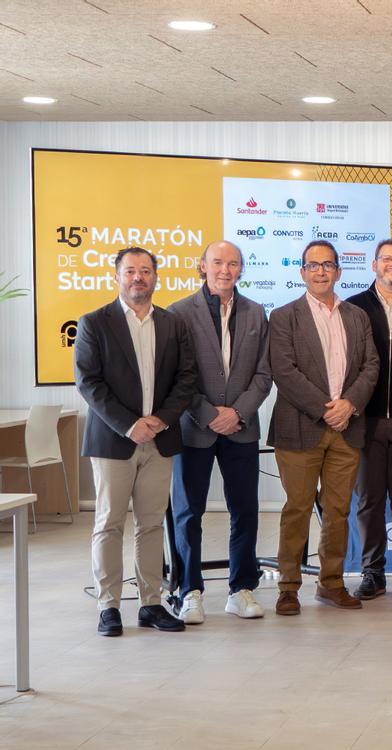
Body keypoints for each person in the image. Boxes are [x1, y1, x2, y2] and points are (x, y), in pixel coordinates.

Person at [75, 246, 197, 636]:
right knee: (109, 523)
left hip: (159, 439)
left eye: (146, 271)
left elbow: (187, 379)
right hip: (114, 441)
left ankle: (151, 603)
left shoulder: (173, 323)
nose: (138, 278)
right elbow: (89, 383)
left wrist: (160, 420)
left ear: (155, 277)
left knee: (150, 525)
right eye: (131, 271)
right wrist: (130, 425)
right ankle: (108, 605)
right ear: (117, 276)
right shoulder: (95, 322)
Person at [269, 240, 379, 616]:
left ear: (338, 272)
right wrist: (325, 409)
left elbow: (371, 367)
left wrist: (349, 404)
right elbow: (284, 371)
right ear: (302, 272)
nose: (320, 271)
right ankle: (288, 587)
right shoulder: (284, 316)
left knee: (338, 510)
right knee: (297, 508)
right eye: (313, 265)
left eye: (327, 265)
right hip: (300, 428)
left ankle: (331, 583)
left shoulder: (356, 316)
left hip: (347, 427)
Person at [169, 240, 271, 623]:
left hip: (241, 428)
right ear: (202, 266)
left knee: (244, 510)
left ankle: (240, 588)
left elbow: (265, 374)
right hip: (194, 428)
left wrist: (237, 413)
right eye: (217, 262)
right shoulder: (179, 313)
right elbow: (178, 376)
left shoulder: (256, 313)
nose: (225, 270)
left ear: (241, 269)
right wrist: (209, 414)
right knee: (188, 512)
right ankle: (189, 590)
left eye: (233, 263)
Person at [346, 239, 392, 603]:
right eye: (387, 259)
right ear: (374, 265)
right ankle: (372, 573)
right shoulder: (353, 308)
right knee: (369, 501)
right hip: (366, 420)